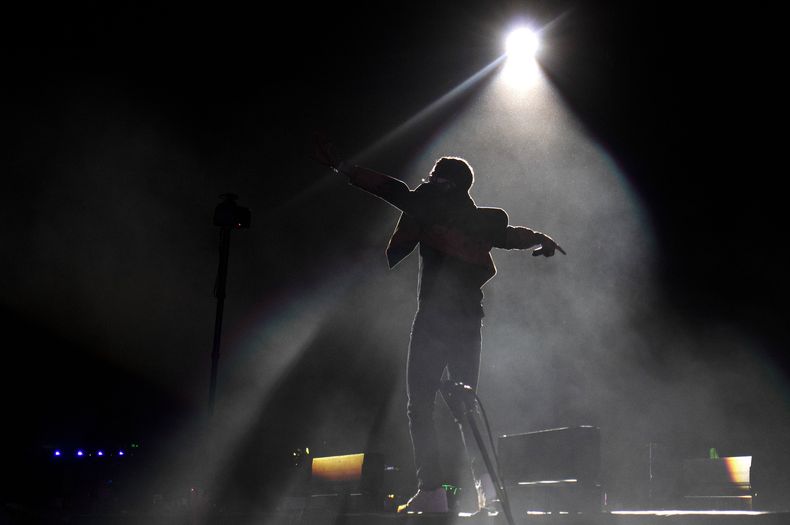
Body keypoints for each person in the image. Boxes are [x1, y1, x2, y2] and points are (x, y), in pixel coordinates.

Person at [315, 141, 565, 515]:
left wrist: (345, 169)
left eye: (433, 178)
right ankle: (489, 492)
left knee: (420, 406)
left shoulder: (426, 206)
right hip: (468, 320)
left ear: (447, 184)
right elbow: (511, 235)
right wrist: (541, 238)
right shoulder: (482, 220)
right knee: (466, 406)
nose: (426, 182)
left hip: (434, 319)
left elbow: (390, 188)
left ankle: (431, 490)